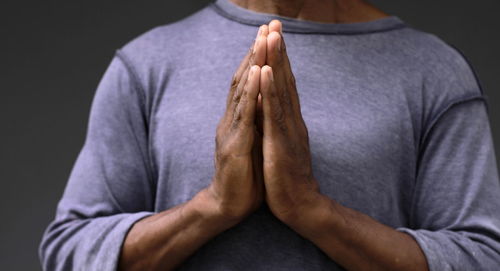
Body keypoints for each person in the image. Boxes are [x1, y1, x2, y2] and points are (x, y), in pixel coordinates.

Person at [39, 0, 500, 270]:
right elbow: (69, 249)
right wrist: (213, 207)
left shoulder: (433, 71)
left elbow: (481, 257)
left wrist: (312, 210)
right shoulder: (148, 62)